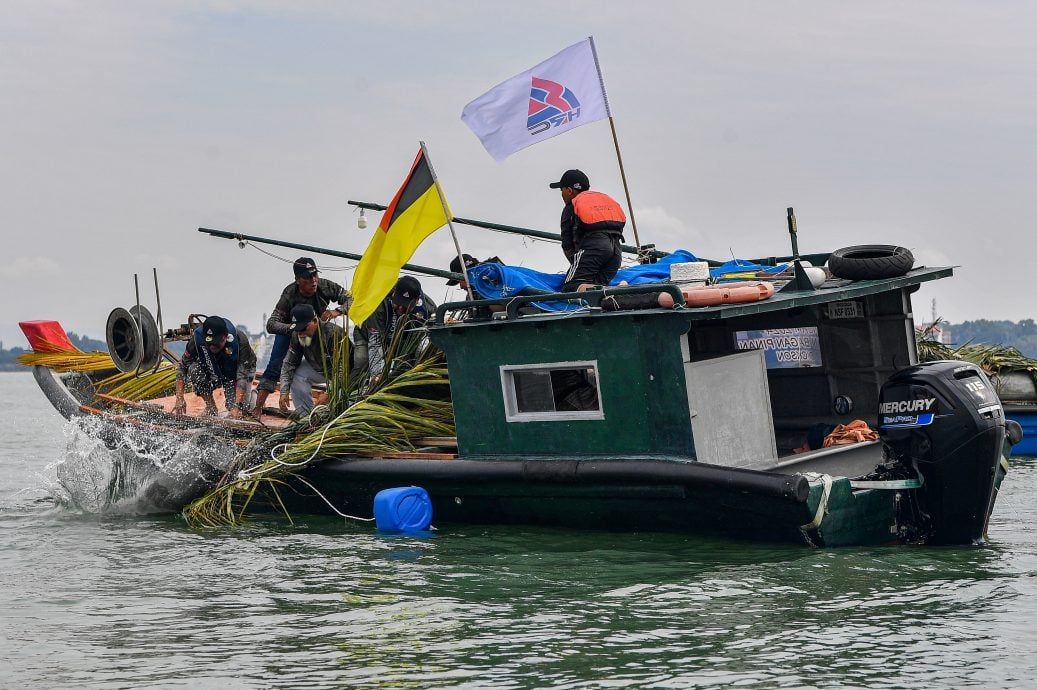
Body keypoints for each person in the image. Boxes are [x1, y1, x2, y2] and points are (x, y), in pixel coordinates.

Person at [255, 257, 352, 415]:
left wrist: (337, 311)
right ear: (298, 280)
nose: (313, 280)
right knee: (276, 364)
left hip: (318, 330)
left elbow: (351, 298)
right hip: (292, 330)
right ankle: (258, 408)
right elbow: (271, 324)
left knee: (333, 361)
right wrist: (295, 328)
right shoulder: (289, 294)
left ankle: (329, 407)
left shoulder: (325, 286)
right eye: (307, 278)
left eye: (315, 275)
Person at [549, 169, 627, 292]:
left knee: (571, 287)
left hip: (596, 248)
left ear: (569, 191)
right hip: (616, 252)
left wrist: (577, 265)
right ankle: (620, 288)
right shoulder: (599, 203)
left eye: (561, 190)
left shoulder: (571, 207)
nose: (561, 194)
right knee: (595, 286)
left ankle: (615, 290)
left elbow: (567, 245)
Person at [173, 315, 257, 419]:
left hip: (236, 372)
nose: (212, 347)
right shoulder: (196, 341)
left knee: (240, 410)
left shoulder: (240, 341)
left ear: (225, 337)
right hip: (214, 367)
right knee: (194, 369)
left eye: (216, 344)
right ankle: (211, 407)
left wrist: (236, 407)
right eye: (209, 344)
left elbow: (242, 377)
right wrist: (179, 398)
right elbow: (182, 367)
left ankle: (254, 396)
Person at [354, 275, 436, 379]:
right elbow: (375, 344)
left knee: (406, 365)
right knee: (362, 362)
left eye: (406, 306)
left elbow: (427, 340)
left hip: (402, 338)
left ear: (416, 301)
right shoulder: (378, 304)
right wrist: (377, 375)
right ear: (394, 295)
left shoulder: (428, 309)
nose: (400, 309)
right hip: (367, 333)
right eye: (398, 303)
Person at [278, 304, 349, 418]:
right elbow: (289, 363)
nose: (301, 333)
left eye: (303, 328)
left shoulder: (334, 333)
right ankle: (307, 418)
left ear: (315, 321)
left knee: (341, 400)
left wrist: (329, 392)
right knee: (296, 374)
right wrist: (284, 391)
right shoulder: (297, 335)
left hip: (346, 375)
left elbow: (343, 369)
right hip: (319, 368)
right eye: (297, 329)